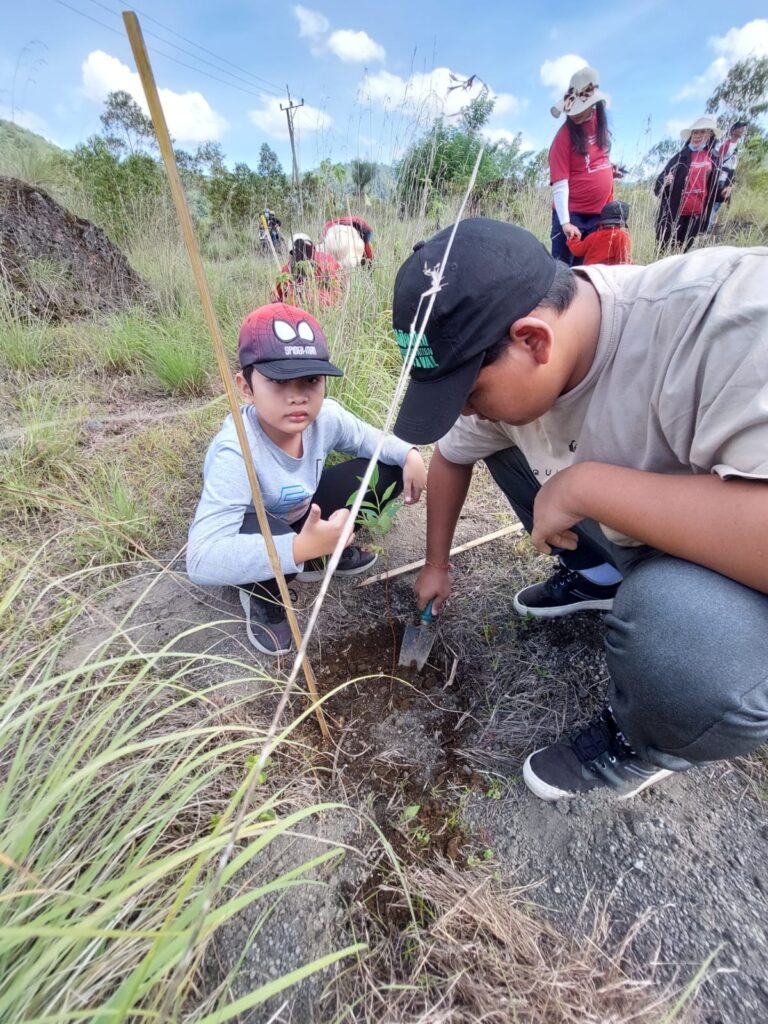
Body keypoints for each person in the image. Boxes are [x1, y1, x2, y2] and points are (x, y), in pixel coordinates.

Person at [391, 217, 768, 804]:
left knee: (678, 633)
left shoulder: (726, 319)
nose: (464, 411)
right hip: (656, 528)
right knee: (500, 438)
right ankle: (599, 575)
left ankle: (648, 740)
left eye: (469, 391)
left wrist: (584, 489)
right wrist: (435, 563)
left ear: (533, 339)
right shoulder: (535, 359)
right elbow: (452, 456)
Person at [188, 302, 426, 656]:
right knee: (279, 539)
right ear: (246, 386)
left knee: (385, 469)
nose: (297, 395)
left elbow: (371, 441)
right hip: (257, 528)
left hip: (303, 515)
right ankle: (264, 593)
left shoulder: (325, 418)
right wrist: (297, 548)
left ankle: (321, 553)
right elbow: (201, 557)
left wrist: (410, 453)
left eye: (311, 380)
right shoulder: (235, 449)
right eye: (279, 381)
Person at [548, 66, 616, 266]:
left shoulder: (600, 124)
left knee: (586, 270)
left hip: (597, 214)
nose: (574, 114)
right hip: (572, 215)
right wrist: (565, 222)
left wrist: (610, 172)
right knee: (563, 273)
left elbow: (600, 159)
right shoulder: (563, 138)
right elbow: (560, 184)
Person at [654, 116, 725, 253]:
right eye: (695, 132)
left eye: (702, 132)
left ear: (710, 135)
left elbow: (714, 189)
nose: (697, 136)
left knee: (684, 252)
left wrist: (723, 193)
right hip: (674, 214)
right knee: (663, 249)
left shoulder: (713, 160)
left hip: (696, 215)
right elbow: (660, 183)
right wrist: (665, 182)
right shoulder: (681, 157)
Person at [273, 233, 343, 308]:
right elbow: (340, 281)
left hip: (307, 309)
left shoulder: (288, 269)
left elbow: (276, 299)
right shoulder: (328, 258)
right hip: (331, 305)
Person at [709, 120, 748, 231]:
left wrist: (731, 181)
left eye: (743, 129)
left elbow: (734, 165)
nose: (742, 131)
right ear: (733, 130)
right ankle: (708, 226)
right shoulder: (726, 144)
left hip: (729, 177)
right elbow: (719, 160)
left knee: (720, 202)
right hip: (721, 177)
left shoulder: (738, 146)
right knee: (715, 202)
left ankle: (710, 225)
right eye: (740, 128)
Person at [566, 200, 631, 266]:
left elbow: (577, 250)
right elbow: (624, 262)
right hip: (606, 274)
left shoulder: (593, 236)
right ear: (621, 223)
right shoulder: (621, 236)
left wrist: (573, 237)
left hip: (589, 271)